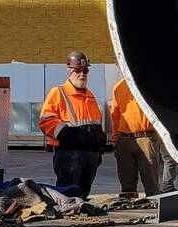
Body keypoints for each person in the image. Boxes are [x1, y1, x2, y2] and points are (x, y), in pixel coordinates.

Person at [39, 52, 106, 196]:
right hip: (69, 155)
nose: (82, 74)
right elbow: (46, 121)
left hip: (90, 156)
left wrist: (99, 145)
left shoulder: (90, 96)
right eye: (78, 71)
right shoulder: (59, 92)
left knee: (82, 196)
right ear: (70, 71)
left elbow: (96, 122)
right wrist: (69, 134)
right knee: (67, 196)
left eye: (85, 71)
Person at [109, 77, 161, 197]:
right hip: (125, 140)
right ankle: (129, 206)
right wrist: (116, 138)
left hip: (146, 138)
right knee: (127, 186)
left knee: (151, 184)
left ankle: (155, 208)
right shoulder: (118, 87)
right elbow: (115, 114)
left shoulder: (151, 84)